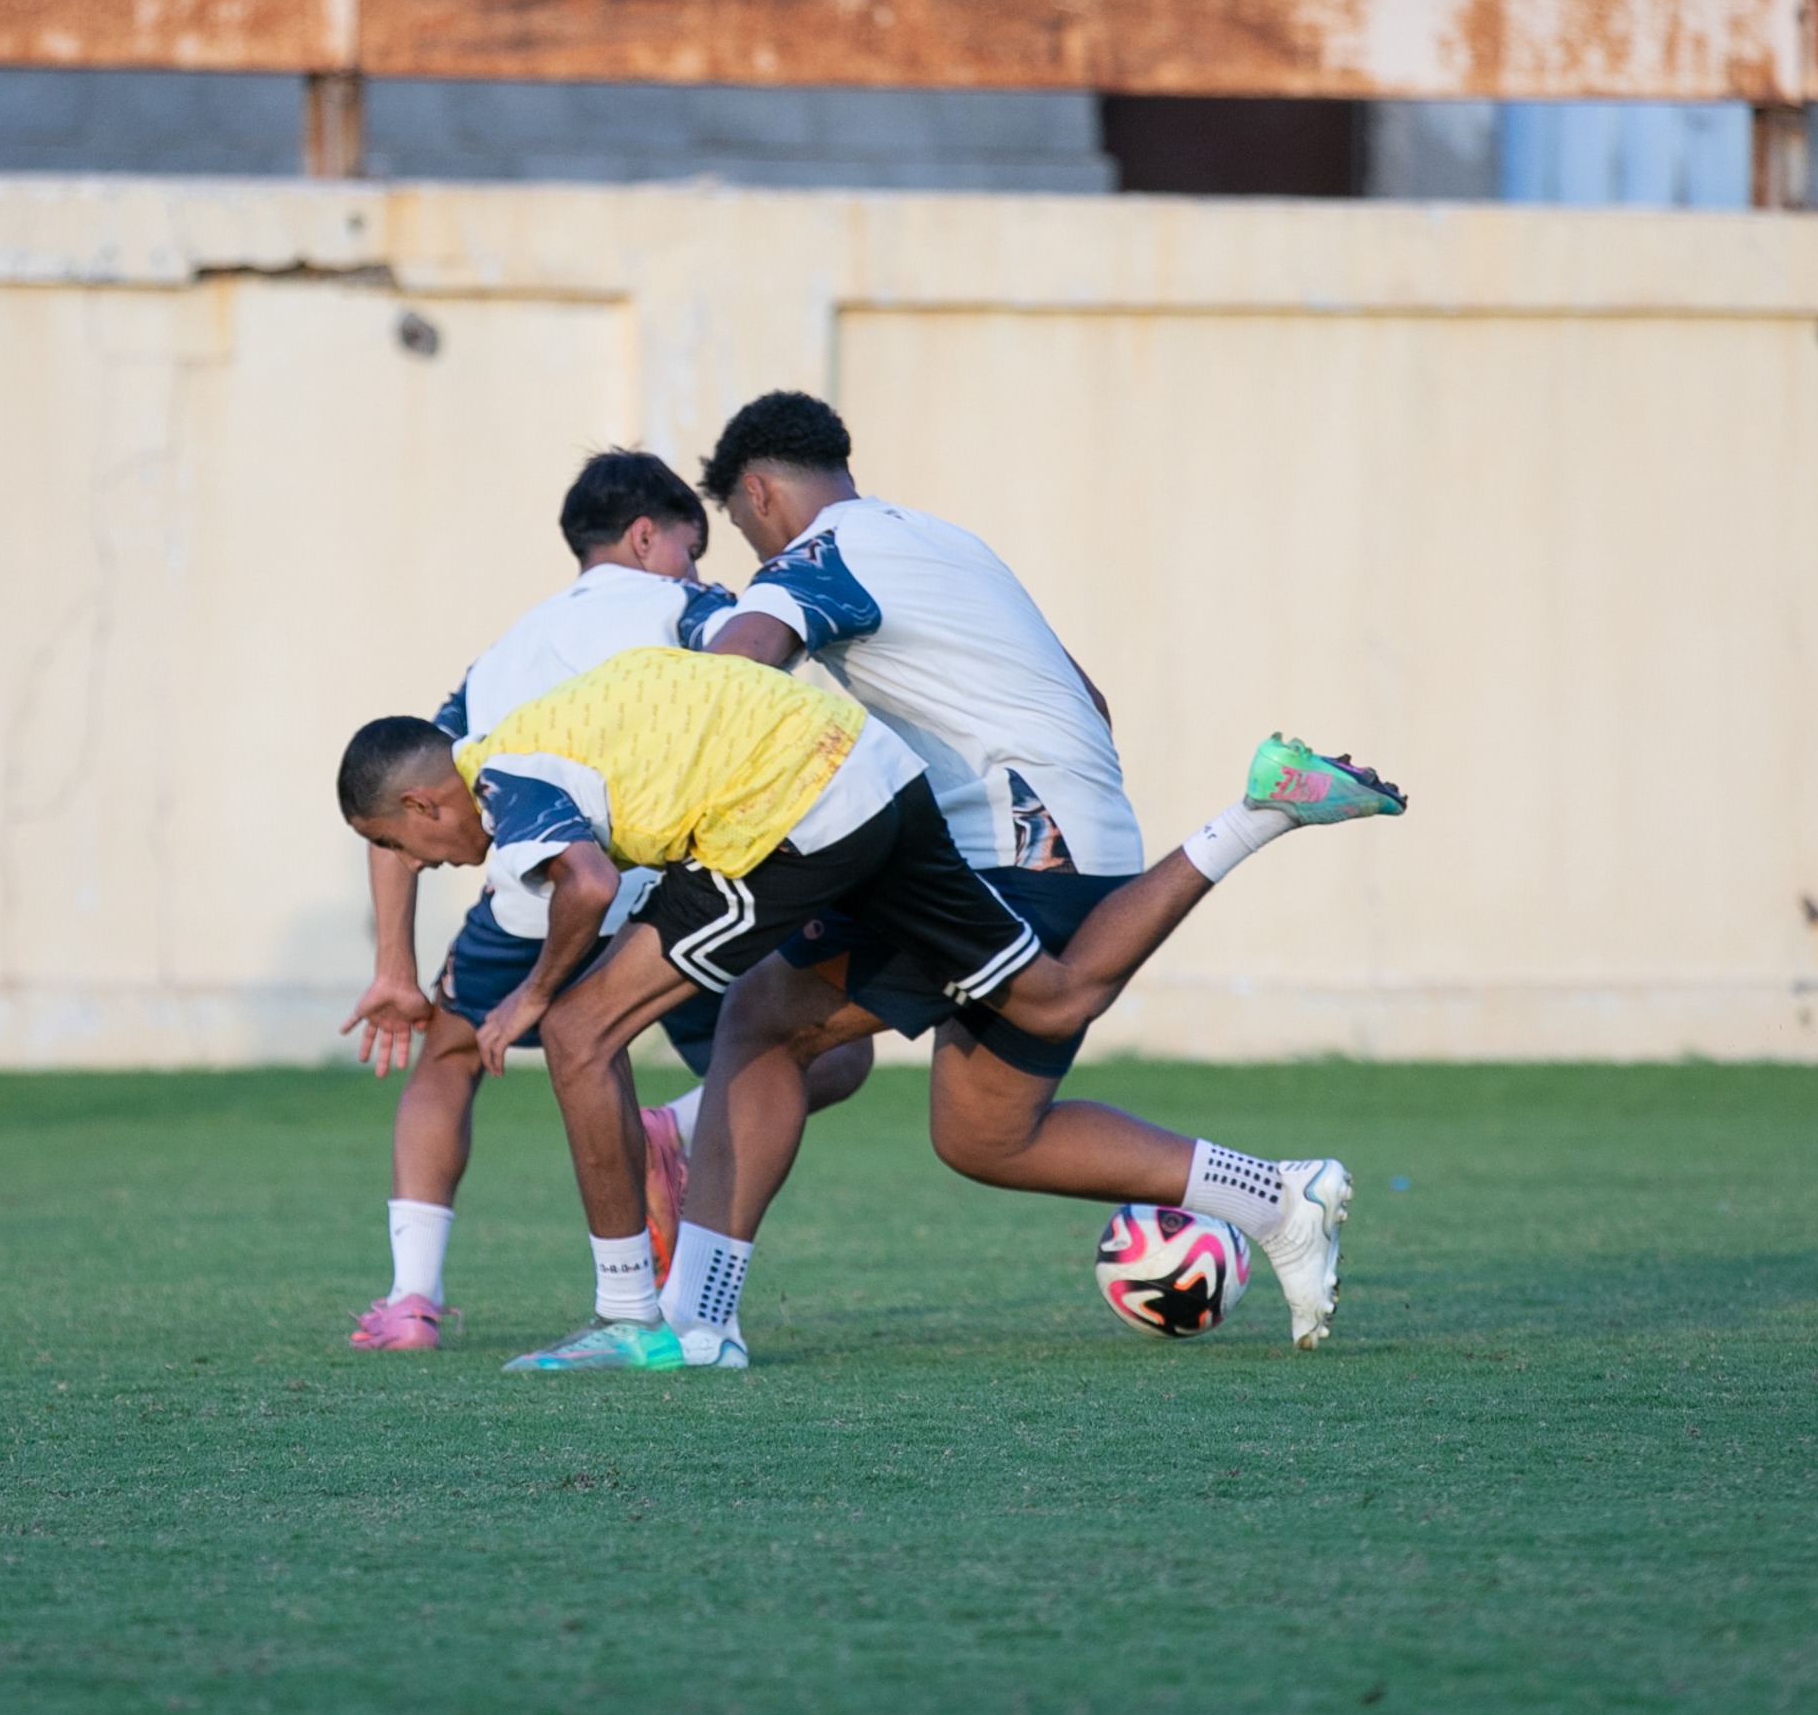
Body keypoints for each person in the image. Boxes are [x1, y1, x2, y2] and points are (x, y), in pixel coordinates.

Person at [337, 646, 1403, 1372]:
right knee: (1052, 990)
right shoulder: (542, 725)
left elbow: (579, 883)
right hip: (875, 775)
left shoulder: (507, 780)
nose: (417, 861)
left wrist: (530, 990)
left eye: (399, 846)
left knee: (581, 1029)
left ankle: (640, 1320)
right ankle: (1262, 816)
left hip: (789, 812)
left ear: (424, 805)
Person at [655, 392, 1213, 1363]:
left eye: (747, 533)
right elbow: (1091, 696)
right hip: (1094, 845)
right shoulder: (955, 545)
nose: (755, 554)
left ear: (758, 492)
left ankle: (693, 1321)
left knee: (759, 1019)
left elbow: (744, 671)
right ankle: (1286, 1195)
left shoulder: (816, 557)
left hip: (1017, 851)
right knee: (984, 1130)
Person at [340, 451, 871, 1351]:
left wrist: (396, 966)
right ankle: (673, 1150)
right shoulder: (689, 607)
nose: (700, 570)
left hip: (535, 896)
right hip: (673, 880)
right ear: (647, 536)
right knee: (812, 1053)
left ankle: (410, 1301)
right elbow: (754, 685)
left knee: (447, 1060)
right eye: (693, 550)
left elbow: (406, 788)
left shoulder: (503, 653)